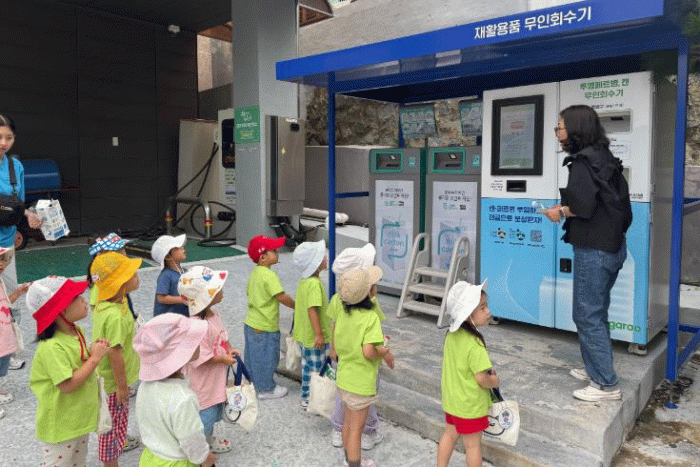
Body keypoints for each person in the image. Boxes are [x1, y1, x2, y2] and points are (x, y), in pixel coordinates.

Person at [544, 105, 632, 402]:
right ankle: (594, 367)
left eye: (560, 127)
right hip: (613, 246)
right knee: (597, 311)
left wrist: (559, 212)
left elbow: (582, 207)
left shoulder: (583, 163)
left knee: (586, 315)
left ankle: (606, 385)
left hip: (594, 250)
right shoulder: (604, 157)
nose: (557, 133)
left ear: (575, 129)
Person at [27, 276, 111, 467]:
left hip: (78, 418)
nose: (84, 300)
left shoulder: (76, 331)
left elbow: (77, 362)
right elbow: (67, 385)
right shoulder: (51, 346)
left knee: (77, 463)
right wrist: (95, 358)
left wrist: (92, 351)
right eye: (76, 297)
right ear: (60, 310)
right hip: (61, 425)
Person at [133, 313, 216, 467]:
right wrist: (205, 458)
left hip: (151, 458)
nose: (199, 341)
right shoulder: (183, 398)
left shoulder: (145, 386)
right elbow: (191, 439)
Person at [334, 267, 394, 467]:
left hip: (344, 377)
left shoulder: (343, 314)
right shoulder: (370, 317)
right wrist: (383, 351)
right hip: (361, 382)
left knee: (347, 423)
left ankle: (347, 459)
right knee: (356, 429)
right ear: (369, 292)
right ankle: (354, 463)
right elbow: (368, 351)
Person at [328, 244, 384, 450]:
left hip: (345, 360)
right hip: (365, 365)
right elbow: (372, 341)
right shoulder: (370, 305)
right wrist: (384, 350)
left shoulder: (338, 299)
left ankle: (338, 429)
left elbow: (335, 324)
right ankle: (368, 432)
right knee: (364, 400)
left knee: (344, 398)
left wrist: (333, 348)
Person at [179, 265, 240, 455]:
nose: (222, 291)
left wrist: (229, 348)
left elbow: (223, 336)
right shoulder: (196, 327)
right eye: (217, 289)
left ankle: (208, 440)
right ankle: (199, 449)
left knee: (213, 409)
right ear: (205, 298)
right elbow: (201, 358)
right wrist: (223, 359)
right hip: (203, 382)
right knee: (204, 414)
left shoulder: (214, 315)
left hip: (215, 377)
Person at [437, 280, 498, 467]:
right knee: (472, 446)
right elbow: (481, 378)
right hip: (470, 406)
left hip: (452, 401)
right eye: (482, 307)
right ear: (468, 314)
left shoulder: (451, 335)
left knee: (449, 435)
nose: (488, 311)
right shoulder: (475, 344)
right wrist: (493, 381)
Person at [91, 252, 143, 466]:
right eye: (133, 274)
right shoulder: (115, 316)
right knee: (112, 431)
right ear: (120, 284)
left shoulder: (106, 304)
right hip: (114, 385)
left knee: (112, 428)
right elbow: (115, 352)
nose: (138, 276)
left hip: (109, 381)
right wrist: (122, 387)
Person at [0, 114, 42, 371]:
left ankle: (8, 349)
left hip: (6, 243)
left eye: (9, 137)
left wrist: (25, 218)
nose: (3, 143)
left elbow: (17, 203)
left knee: (9, 297)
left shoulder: (15, 166)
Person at [243, 234, 295, 399]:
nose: (277, 253)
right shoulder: (269, 276)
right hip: (265, 325)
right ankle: (266, 388)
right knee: (267, 357)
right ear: (263, 257)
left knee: (253, 356)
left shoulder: (255, 273)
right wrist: (296, 305)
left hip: (251, 323)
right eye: (274, 251)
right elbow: (281, 296)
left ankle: (253, 382)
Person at [292, 240, 330, 410]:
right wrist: (319, 334)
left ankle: (306, 397)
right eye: (322, 256)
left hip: (304, 336)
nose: (326, 257)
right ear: (315, 263)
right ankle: (316, 400)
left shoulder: (304, 281)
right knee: (318, 370)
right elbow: (312, 309)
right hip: (315, 338)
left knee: (307, 368)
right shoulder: (314, 284)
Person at [0, 246, 31, 418]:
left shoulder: (1, 282)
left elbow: (5, 302)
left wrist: (18, 292)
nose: (1, 264)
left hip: (3, 329)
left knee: (2, 361)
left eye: (3, 260)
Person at [151, 233, 189, 317]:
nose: (182, 249)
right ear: (167, 257)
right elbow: (161, 298)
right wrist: (182, 299)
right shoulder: (166, 275)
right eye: (177, 248)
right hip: (167, 318)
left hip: (182, 316)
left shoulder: (185, 271)